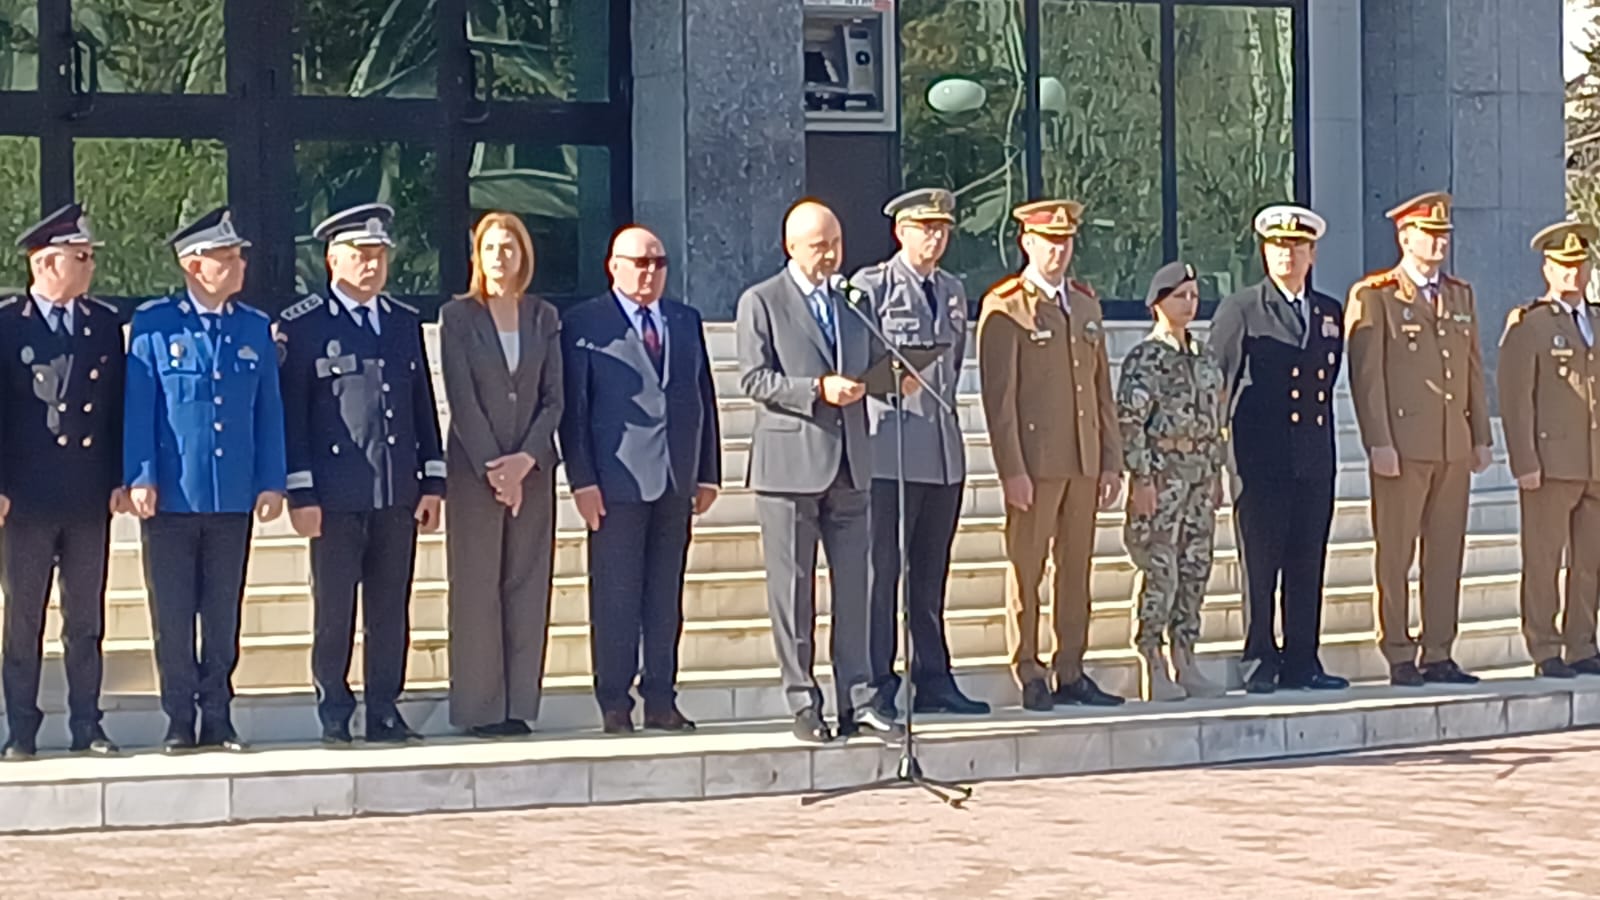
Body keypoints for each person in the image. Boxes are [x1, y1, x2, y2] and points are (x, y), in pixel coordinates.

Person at [277, 202, 444, 745]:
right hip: (335, 493)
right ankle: (334, 708)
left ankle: (384, 708)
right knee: (335, 610)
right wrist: (300, 491)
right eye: (361, 254)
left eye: (379, 254)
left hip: (395, 489)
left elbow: (421, 404)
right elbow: (294, 415)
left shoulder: (400, 321)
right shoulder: (304, 325)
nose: (372, 265)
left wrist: (432, 481)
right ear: (333, 259)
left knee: (390, 609)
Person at [124, 207, 286, 754]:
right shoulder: (155, 324)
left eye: (238, 256)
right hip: (172, 495)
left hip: (230, 494)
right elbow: (140, 407)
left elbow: (268, 410)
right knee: (172, 615)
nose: (239, 266)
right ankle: (179, 717)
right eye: (227, 258)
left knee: (221, 613)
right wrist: (140, 475)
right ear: (194, 265)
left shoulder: (253, 327)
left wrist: (271, 480)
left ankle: (218, 714)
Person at [735, 199, 897, 743]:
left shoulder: (853, 299)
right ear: (791, 247)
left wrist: (896, 375)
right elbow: (754, 379)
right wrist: (816, 390)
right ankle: (803, 700)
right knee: (794, 589)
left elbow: (873, 360)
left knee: (855, 588)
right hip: (789, 466)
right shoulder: (762, 301)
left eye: (836, 244)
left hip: (851, 462)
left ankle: (859, 698)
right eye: (818, 246)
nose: (829, 255)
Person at [561, 225, 721, 734]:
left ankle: (660, 697)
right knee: (616, 595)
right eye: (639, 263)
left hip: (675, 477)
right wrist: (582, 480)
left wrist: (708, 472)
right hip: (616, 480)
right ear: (614, 266)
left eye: (658, 263)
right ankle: (614, 699)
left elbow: (703, 396)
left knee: (664, 597)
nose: (650, 272)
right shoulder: (585, 323)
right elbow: (575, 409)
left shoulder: (684, 319)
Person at [978, 199, 1123, 712]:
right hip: (1036, 464)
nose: (1058, 251)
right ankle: (1028, 666)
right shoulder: (1006, 307)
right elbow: (999, 402)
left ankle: (1071, 667)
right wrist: (1011, 469)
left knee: (1076, 570)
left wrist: (1111, 459)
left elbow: (1101, 389)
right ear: (1026, 243)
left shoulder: (1083, 304)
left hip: (1083, 459)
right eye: (1048, 242)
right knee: (1027, 569)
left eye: (1065, 242)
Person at [1345, 191, 1491, 687]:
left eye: (1443, 235)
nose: (1439, 243)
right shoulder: (1377, 295)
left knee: (1446, 552)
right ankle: (1399, 651)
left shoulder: (1460, 295)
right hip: (1403, 446)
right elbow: (1368, 378)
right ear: (1404, 237)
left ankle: (1439, 650)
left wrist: (1480, 434)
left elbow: (1472, 370)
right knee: (1396, 553)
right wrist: (1378, 442)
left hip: (1452, 445)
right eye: (1429, 234)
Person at [851, 188, 988, 717]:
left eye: (943, 229)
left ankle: (933, 677)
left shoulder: (951, 289)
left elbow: (951, 368)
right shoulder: (873, 287)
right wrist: (888, 380)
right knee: (882, 572)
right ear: (900, 232)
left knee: (930, 575)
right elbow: (856, 362)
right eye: (926, 228)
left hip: (940, 447)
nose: (936, 238)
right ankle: (877, 681)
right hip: (890, 446)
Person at [1209, 205, 1350, 694]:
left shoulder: (1328, 311)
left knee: (1307, 560)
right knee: (1261, 564)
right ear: (1264, 252)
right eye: (1277, 247)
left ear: (1312, 254)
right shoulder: (1242, 308)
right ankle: (1260, 659)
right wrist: (1217, 458)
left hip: (1312, 455)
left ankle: (1303, 659)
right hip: (1260, 457)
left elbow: (1326, 380)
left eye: (1296, 247)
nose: (1286, 255)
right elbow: (1218, 384)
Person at [0, 205, 124, 759]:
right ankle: (21, 728)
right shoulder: (9, 324)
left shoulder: (101, 324)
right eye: (81, 257)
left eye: (89, 256)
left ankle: (87, 724)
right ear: (45, 263)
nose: (90, 265)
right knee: (23, 620)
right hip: (25, 497)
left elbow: (116, 408)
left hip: (85, 494)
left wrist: (119, 477)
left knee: (85, 620)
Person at [439, 212, 564, 738]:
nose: (499, 257)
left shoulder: (543, 316)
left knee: (526, 584)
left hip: (531, 470)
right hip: (476, 471)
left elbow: (554, 399)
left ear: (523, 256)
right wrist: (496, 469)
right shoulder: (457, 317)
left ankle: (518, 705)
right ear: (477, 257)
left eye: (508, 248)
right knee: (476, 586)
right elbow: (461, 398)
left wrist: (525, 461)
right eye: (490, 248)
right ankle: (480, 708)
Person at [1117, 261, 1227, 702]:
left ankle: (1186, 656)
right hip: (1162, 477)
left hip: (1199, 476)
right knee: (1160, 570)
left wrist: (1216, 473)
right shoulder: (1146, 358)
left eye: (1194, 296)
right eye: (1180, 296)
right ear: (1158, 303)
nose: (1189, 303)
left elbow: (1215, 420)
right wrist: (1141, 478)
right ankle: (1152, 659)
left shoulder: (1204, 356)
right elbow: (1130, 422)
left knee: (1195, 568)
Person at [1497, 221, 1600, 679]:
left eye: (1579, 265)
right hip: (1551, 463)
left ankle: (1582, 644)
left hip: (1594, 462)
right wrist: (1524, 460)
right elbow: (1516, 397)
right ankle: (1544, 646)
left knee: (1589, 562)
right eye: (1563, 265)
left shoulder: (1596, 321)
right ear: (1547, 269)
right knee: (1543, 560)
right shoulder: (1531, 323)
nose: (1573, 274)